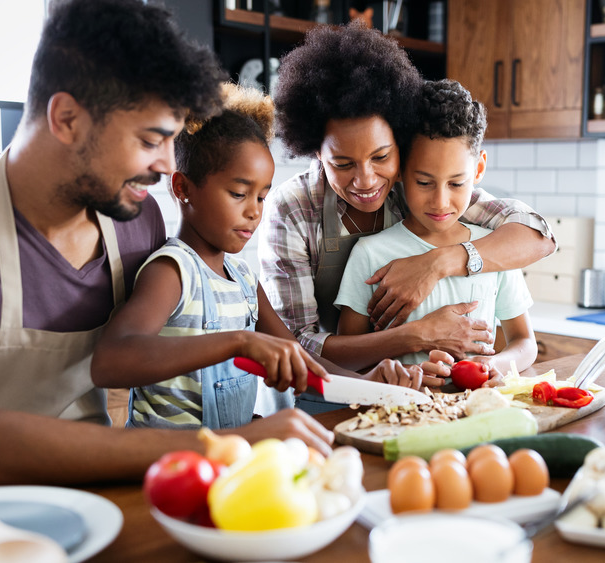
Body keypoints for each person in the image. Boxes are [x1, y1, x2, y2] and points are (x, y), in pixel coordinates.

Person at [0, 0, 323, 499]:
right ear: (67, 118)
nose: (166, 166)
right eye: (150, 140)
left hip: (98, 499)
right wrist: (224, 445)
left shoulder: (136, 220)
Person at [91, 84, 424, 430]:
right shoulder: (173, 271)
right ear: (183, 188)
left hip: (226, 461)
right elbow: (110, 362)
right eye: (239, 193)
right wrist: (239, 341)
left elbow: (300, 358)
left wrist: (368, 383)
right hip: (166, 465)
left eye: (262, 197)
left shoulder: (244, 279)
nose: (254, 212)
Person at [262, 23, 556, 390]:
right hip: (315, 392)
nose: (367, 180)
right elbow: (296, 344)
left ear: (399, 150)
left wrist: (436, 264)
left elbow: (537, 236)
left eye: (381, 156)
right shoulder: (292, 209)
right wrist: (417, 336)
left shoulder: (420, 187)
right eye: (342, 164)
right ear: (315, 152)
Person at [335, 79, 537, 385]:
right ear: (400, 169)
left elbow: (524, 342)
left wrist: (498, 364)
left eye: (456, 183)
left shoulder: (493, 248)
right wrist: (394, 374)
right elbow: (346, 358)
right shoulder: (370, 253)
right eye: (424, 182)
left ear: (479, 169)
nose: (441, 201)